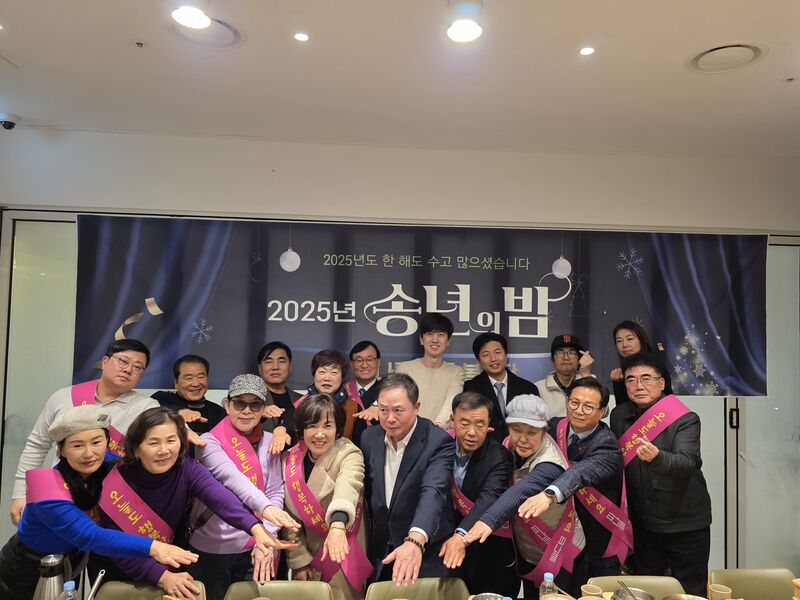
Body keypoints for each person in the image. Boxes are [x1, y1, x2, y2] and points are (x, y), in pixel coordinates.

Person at [93, 407, 296, 600]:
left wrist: (256, 528)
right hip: (118, 571)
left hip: (168, 564)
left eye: (171, 440)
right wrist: (162, 577)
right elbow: (116, 542)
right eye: (153, 443)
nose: (164, 450)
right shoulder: (116, 479)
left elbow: (220, 497)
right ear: (136, 448)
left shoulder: (186, 468)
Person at [0, 405, 197, 600]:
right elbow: (89, 536)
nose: (89, 453)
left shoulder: (110, 465)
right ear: (61, 449)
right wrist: (154, 548)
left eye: (96, 442)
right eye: (77, 445)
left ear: (107, 442)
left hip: (70, 566)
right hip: (26, 571)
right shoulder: (47, 489)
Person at [10, 339, 160, 524]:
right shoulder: (63, 397)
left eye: (137, 367)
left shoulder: (147, 407)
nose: (129, 369)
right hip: (62, 492)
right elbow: (37, 445)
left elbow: (166, 434)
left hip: (115, 501)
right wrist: (21, 493)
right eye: (123, 361)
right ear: (105, 361)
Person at [187, 374, 301, 600]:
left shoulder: (271, 441)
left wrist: (266, 537)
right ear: (227, 405)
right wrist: (266, 509)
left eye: (255, 404)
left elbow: (275, 491)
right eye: (239, 403)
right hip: (211, 547)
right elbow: (232, 478)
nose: (247, 411)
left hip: (254, 547)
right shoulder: (209, 441)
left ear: (263, 409)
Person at [463, 394, 585, 599]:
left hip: (561, 551)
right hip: (528, 550)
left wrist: (487, 521)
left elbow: (519, 492)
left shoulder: (550, 464)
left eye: (532, 432)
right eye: (516, 430)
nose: (523, 439)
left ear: (544, 431)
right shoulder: (509, 445)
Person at [610, 353, 711, 597]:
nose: (639, 385)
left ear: (662, 383)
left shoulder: (685, 418)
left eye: (646, 378)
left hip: (684, 525)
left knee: (689, 591)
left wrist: (658, 457)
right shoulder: (619, 415)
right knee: (647, 588)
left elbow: (686, 463)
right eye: (631, 380)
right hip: (643, 525)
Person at [517, 378, 628, 594]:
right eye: (574, 402)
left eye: (588, 406)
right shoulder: (555, 426)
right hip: (555, 532)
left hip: (594, 537)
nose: (579, 411)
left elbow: (580, 472)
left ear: (602, 411)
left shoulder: (606, 443)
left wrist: (550, 494)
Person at [360, 373, 456, 585]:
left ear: (416, 407)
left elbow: (433, 492)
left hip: (425, 553)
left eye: (398, 410)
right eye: (383, 410)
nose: (390, 418)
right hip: (382, 553)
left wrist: (415, 539)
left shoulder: (438, 442)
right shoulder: (369, 438)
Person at [283, 394, 371, 600]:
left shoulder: (349, 453)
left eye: (328, 426)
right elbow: (290, 516)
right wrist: (299, 561)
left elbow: (348, 486)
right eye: (312, 426)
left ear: (337, 428)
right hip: (308, 555)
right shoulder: (291, 459)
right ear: (302, 429)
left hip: (343, 549)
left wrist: (338, 525)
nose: (320, 434)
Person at [439, 391, 517, 597]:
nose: (472, 432)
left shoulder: (499, 457)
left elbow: (488, 499)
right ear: (452, 421)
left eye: (480, 424)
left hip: (485, 550)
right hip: (442, 545)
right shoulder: (440, 446)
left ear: (489, 425)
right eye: (464, 423)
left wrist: (460, 535)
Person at [270, 350, 366, 453]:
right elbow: (285, 427)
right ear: (314, 375)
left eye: (334, 372)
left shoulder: (354, 409)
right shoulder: (300, 405)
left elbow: (361, 449)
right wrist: (280, 429)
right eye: (322, 372)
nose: (327, 378)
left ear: (342, 376)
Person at [464, 332, 540, 443]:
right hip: (485, 450)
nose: (493, 359)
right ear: (478, 360)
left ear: (506, 355)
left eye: (497, 352)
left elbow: (536, 426)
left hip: (521, 448)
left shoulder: (528, 388)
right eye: (486, 354)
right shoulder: (470, 389)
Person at [395, 313, 465, 427]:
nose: (435, 340)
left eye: (441, 334)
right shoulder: (404, 369)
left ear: (448, 340)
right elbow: (400, 404)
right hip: (410, 431)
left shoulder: (456, 372)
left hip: (441, 432)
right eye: (429, 334)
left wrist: (438, 425)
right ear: (421, 339)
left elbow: (451, 400)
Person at [152, 354, 226, 438]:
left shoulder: (219, 412)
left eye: (201, 377)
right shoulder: (159, 400)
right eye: (189, 378)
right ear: (176, 383)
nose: (196, 383)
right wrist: (178, 412)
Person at [609, 320, 673, 407]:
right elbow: (622, 408)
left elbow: (669, 401)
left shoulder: (656, 367)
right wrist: (618, 383)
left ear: (641, 340)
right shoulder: (621, 374)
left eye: (630, 339)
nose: (625, 345)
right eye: (619, 341)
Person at [535, 334, 595, 419]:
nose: (566, 357)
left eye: (571, 353)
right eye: (560, 353)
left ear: (579, 359)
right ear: (552, 359)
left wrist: (586, 375)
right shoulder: (538, 388)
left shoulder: (589, 380)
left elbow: (603, 411)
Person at [257, 341, 302, 438]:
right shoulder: (250, 401)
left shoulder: (302, 401)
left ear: (290, 367)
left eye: (281, 361)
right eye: (268, 362)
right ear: (260, 368)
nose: (275, 367)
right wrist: (257, 414)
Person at [350, 340, 382, 423]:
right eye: (359, 360)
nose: (364, 365)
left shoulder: (386, 391)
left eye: (370, 360)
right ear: (352, 364)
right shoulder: (343, 391)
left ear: (378, 362)